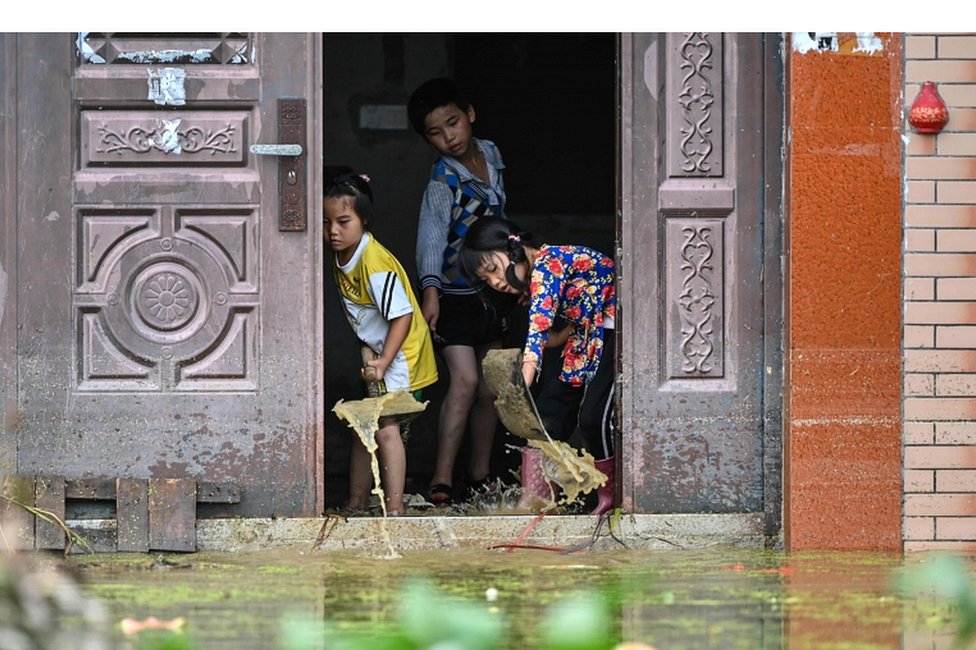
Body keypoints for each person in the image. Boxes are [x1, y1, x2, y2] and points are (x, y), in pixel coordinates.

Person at [458, 217, 617, 515]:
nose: (494, 282)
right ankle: (536, 501)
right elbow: (554, 337)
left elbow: (539, 333)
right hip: (585, 336)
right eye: (486, 279)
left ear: (513, 247)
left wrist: (519, 389)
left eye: (493, 269)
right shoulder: (536, 280)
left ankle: (610, 498)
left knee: (595, 418)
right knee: (547, 416)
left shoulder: (547, 264)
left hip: (614, 334)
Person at [407, 77, 517, 506]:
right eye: (435, 132)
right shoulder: (442, 179)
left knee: (490, 387)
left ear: (469, 114)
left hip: (493, 290)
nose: (448, 137)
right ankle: (442, 479)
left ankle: (480, 474)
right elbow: (431, 237)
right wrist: (430, 290)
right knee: (465, 382)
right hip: (452, 294)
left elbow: (501, 213)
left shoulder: (490, 153)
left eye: (452, 122)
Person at [324, 171, 438, 516]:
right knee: (365, 426)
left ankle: (396, 508)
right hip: (382, 355)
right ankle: (357, 502)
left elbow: (402, 316)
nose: (333, 230)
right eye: (326, 222)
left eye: (343, 221)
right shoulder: (341, 254)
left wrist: (385, 362)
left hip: (403, 356)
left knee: (386, 429)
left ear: (364, 219)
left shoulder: (374, 263)